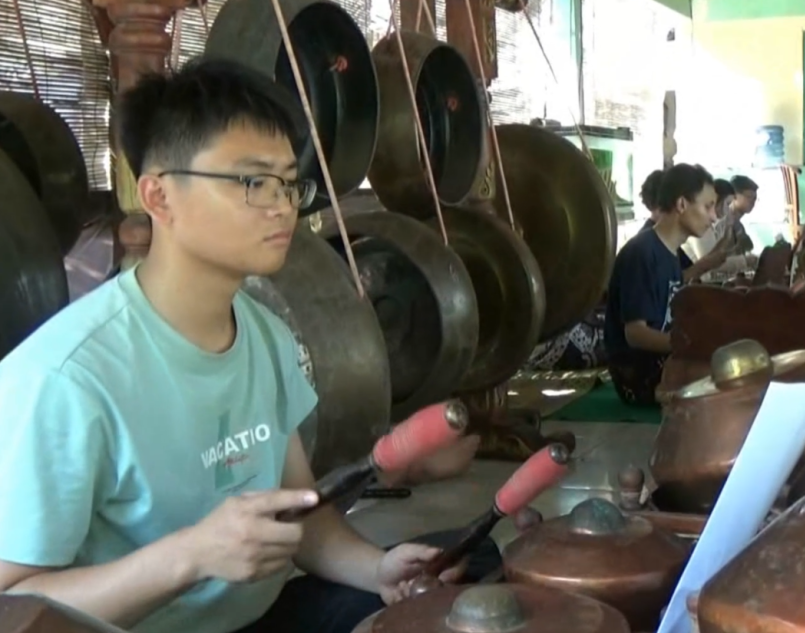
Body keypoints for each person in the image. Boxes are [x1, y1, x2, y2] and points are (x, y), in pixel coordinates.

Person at [0, 59, 495, 633]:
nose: (283, 205)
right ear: (159, 197)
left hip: (258, 617)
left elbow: (301, 517)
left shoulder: (266, 333)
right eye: (253, 182)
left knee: (468, 579)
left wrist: (378, 568)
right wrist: (191, 555)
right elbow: (14, 608)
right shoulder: (63, 379)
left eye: (288, 183)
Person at [604, 163, 715, 406]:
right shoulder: (642, 253)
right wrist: (691, 345)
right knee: (725, 378)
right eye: (708, 206)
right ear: (682, 204)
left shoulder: (670, 253)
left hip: (662, 362)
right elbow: (635, 334)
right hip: (637, 374)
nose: (714, 216)